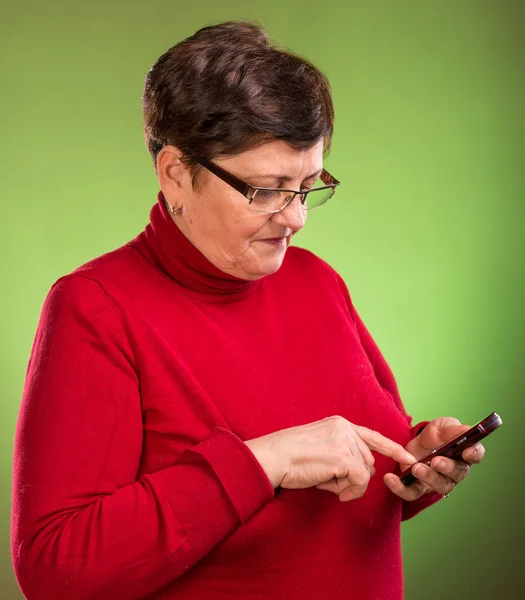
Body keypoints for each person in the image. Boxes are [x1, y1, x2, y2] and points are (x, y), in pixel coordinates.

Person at [11, 20, 486, 600]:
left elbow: (343, 500)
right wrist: (263, 463)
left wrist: (411, 463)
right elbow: (56, 568)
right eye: (267, 189)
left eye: (309, 184)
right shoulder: (97, 307)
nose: (296, 218)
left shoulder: (317, 282)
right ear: (176, 173)